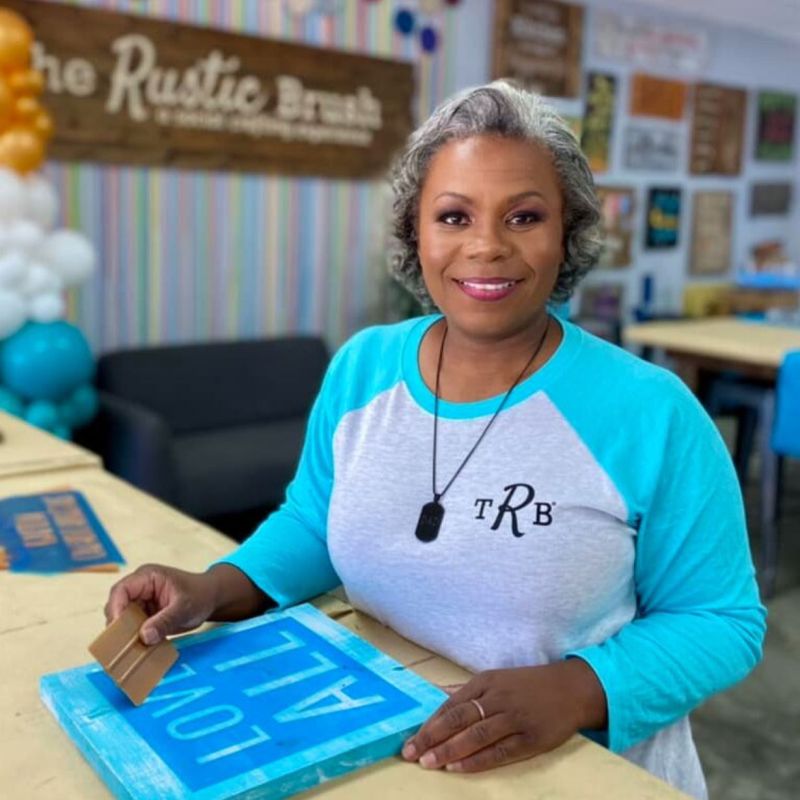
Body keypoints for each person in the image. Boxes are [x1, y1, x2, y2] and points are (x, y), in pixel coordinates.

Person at [105, 81, 765, 799]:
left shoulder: (651, 412)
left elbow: (721, 620)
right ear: (415, 233)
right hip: (393, 755)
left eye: (524, 216)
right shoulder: (363, 366)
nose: (486, 246)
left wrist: (578, 689)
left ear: (567, 234)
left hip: (585, 774)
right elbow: (316, 520)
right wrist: (213, 588)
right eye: (454, 216)